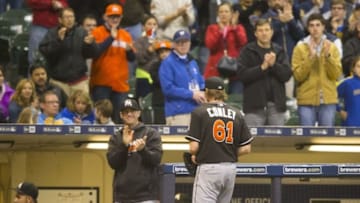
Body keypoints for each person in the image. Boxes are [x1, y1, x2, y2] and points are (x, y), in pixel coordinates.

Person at [185, 76, 253, 203]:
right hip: (230, 169)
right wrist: (226, 152)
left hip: (209, 167)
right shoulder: (237, 113)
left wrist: (198, 155)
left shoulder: (199, 112)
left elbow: (194, 148)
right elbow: (246, 148)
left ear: (207, 92)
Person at [237, 18, 292, 126]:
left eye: (267, 30)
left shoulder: (279, 51)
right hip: (254, 106)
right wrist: (262, 67)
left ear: (271, 32)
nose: (264, 33)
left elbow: (286, 75)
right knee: (253, 140)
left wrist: (273, 65)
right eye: (260, 30)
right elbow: (242, 75)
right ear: (255, 33)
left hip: (276, 106)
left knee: (277, 141)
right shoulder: (247, 51)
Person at [106, 98, 162, 203]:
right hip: (122, 197)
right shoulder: (116, 137)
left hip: (147, 197)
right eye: (126, 112)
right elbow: (113, 163)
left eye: (132, 111)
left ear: (138, 113)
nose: (129, 114)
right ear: (121, 115)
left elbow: (156, 160)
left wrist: (143, 150)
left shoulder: (151, 134)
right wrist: (124, 145)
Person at [292, 13, 342, 126]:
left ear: (323, 27)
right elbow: (298, 76)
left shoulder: (332, 46)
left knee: (327, 139)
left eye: (318, 25)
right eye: (311, 25)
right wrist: (310, 58)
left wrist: (328, 57)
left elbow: (336, 74)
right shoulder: (300, 47)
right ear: (308, 28)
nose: (315, 28)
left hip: (328, 99)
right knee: (305, 138)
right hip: (306, 100)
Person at [90, 3, 135, 124]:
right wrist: (111, 38)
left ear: (121, 18)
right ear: (105, 17)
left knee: (120, 120)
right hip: (101, 83)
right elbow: (95, 52)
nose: (115, 19)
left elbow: (132, 58)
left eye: (117, 17)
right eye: (111, 16)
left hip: (120, 85)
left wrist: (130, 51)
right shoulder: (97, 32)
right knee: (100, 119)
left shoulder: (126, 35)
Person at [39, 7, 97, 96]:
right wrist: (58, 41)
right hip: (58, 82)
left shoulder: (82, 32)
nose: (69, 20)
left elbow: (93, 53)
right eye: (66, 17)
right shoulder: (52, 33)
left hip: (79, 81)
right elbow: (45, 52)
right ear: (60, 20)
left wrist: (90, 44)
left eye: (71, 17)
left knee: (83, 108)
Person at [159, 29, 206, 126]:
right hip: (178, 113)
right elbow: (168, 89)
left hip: (197, 112)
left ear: (190, 43)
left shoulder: (192, 62)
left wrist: (203, 92)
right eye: (179, 42)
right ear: (174, 44)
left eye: (185, 42)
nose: (182, 44)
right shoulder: (167, 63)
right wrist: (191, 94)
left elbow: (201, 82)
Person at [203, 2, 248, 94]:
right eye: (221, 12)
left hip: (235, 72)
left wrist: (234, 28)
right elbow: (210, 46)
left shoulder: (238, 28)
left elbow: (243, 42)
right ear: (218, 14)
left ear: (231, 14)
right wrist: (219, 31)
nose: (224, 14)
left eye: (226, 11)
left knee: (235, 102)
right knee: (215, 102)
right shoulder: (212, 28)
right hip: (215, 72)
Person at [26, 0, 68, 66]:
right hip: (40, 26)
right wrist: (50, 3)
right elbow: (31, 1)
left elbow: (65, 4)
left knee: (57, 60)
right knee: (35, 60)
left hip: (57, 27)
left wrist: (61, 5)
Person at [149, 40, 173, 124]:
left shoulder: (177, 65)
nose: (164, 54)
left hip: (174, 103)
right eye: (161, 52)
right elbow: (160, 81)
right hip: (160, 102)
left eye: (166, 51)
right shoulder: (154, 67)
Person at [337, 56, 360, 126]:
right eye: (358, 66)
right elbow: (331, 96)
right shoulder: (347, 83)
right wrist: (340, 111)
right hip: (351, 125)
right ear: (353, 69)